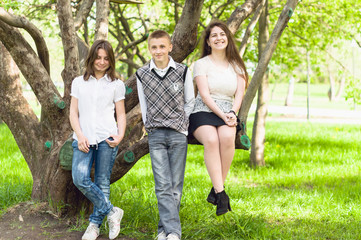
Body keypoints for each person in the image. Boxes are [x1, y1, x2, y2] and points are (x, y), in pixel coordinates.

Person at [136, 30, 195, 240]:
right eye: (154, 47)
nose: (158, 51)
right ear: (149, 49)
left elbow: (190, 101)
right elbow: (144, 106)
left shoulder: (183, 71)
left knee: (175, 185)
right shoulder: (142, 74)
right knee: (162, 184)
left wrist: (182, 125)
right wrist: (149, 127)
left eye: (162, 46)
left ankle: (164, 230)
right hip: (156, 135)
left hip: (178, 133)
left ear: (170, 47)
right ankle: (174, 232)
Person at [188, 20, 248, 216]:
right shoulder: (201, 64)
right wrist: (223, 115)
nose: (218, 38)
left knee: (227, 138)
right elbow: (204, 95)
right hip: (203, 110)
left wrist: (232, 113)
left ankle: (216, 190)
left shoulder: (237, 65)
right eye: (213, 35)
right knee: (212, 140)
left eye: (222, 34)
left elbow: (239, 94)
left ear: (227, 38)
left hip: (228, 110)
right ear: (208, 42)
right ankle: (221, 193)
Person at [69, 40, 126, 240]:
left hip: (106, 137)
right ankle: (112, 211)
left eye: (106, 58)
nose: (101, 62)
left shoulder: (116, 84)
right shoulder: (78, 82)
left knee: (102, 182)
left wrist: (120, 135)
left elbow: (120, 114)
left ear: (111, 60)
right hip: (83, 138)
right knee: (80, 178)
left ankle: (94, 225)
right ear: (91, 58)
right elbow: (73, 113)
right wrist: (80, 134)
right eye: (98, 57)